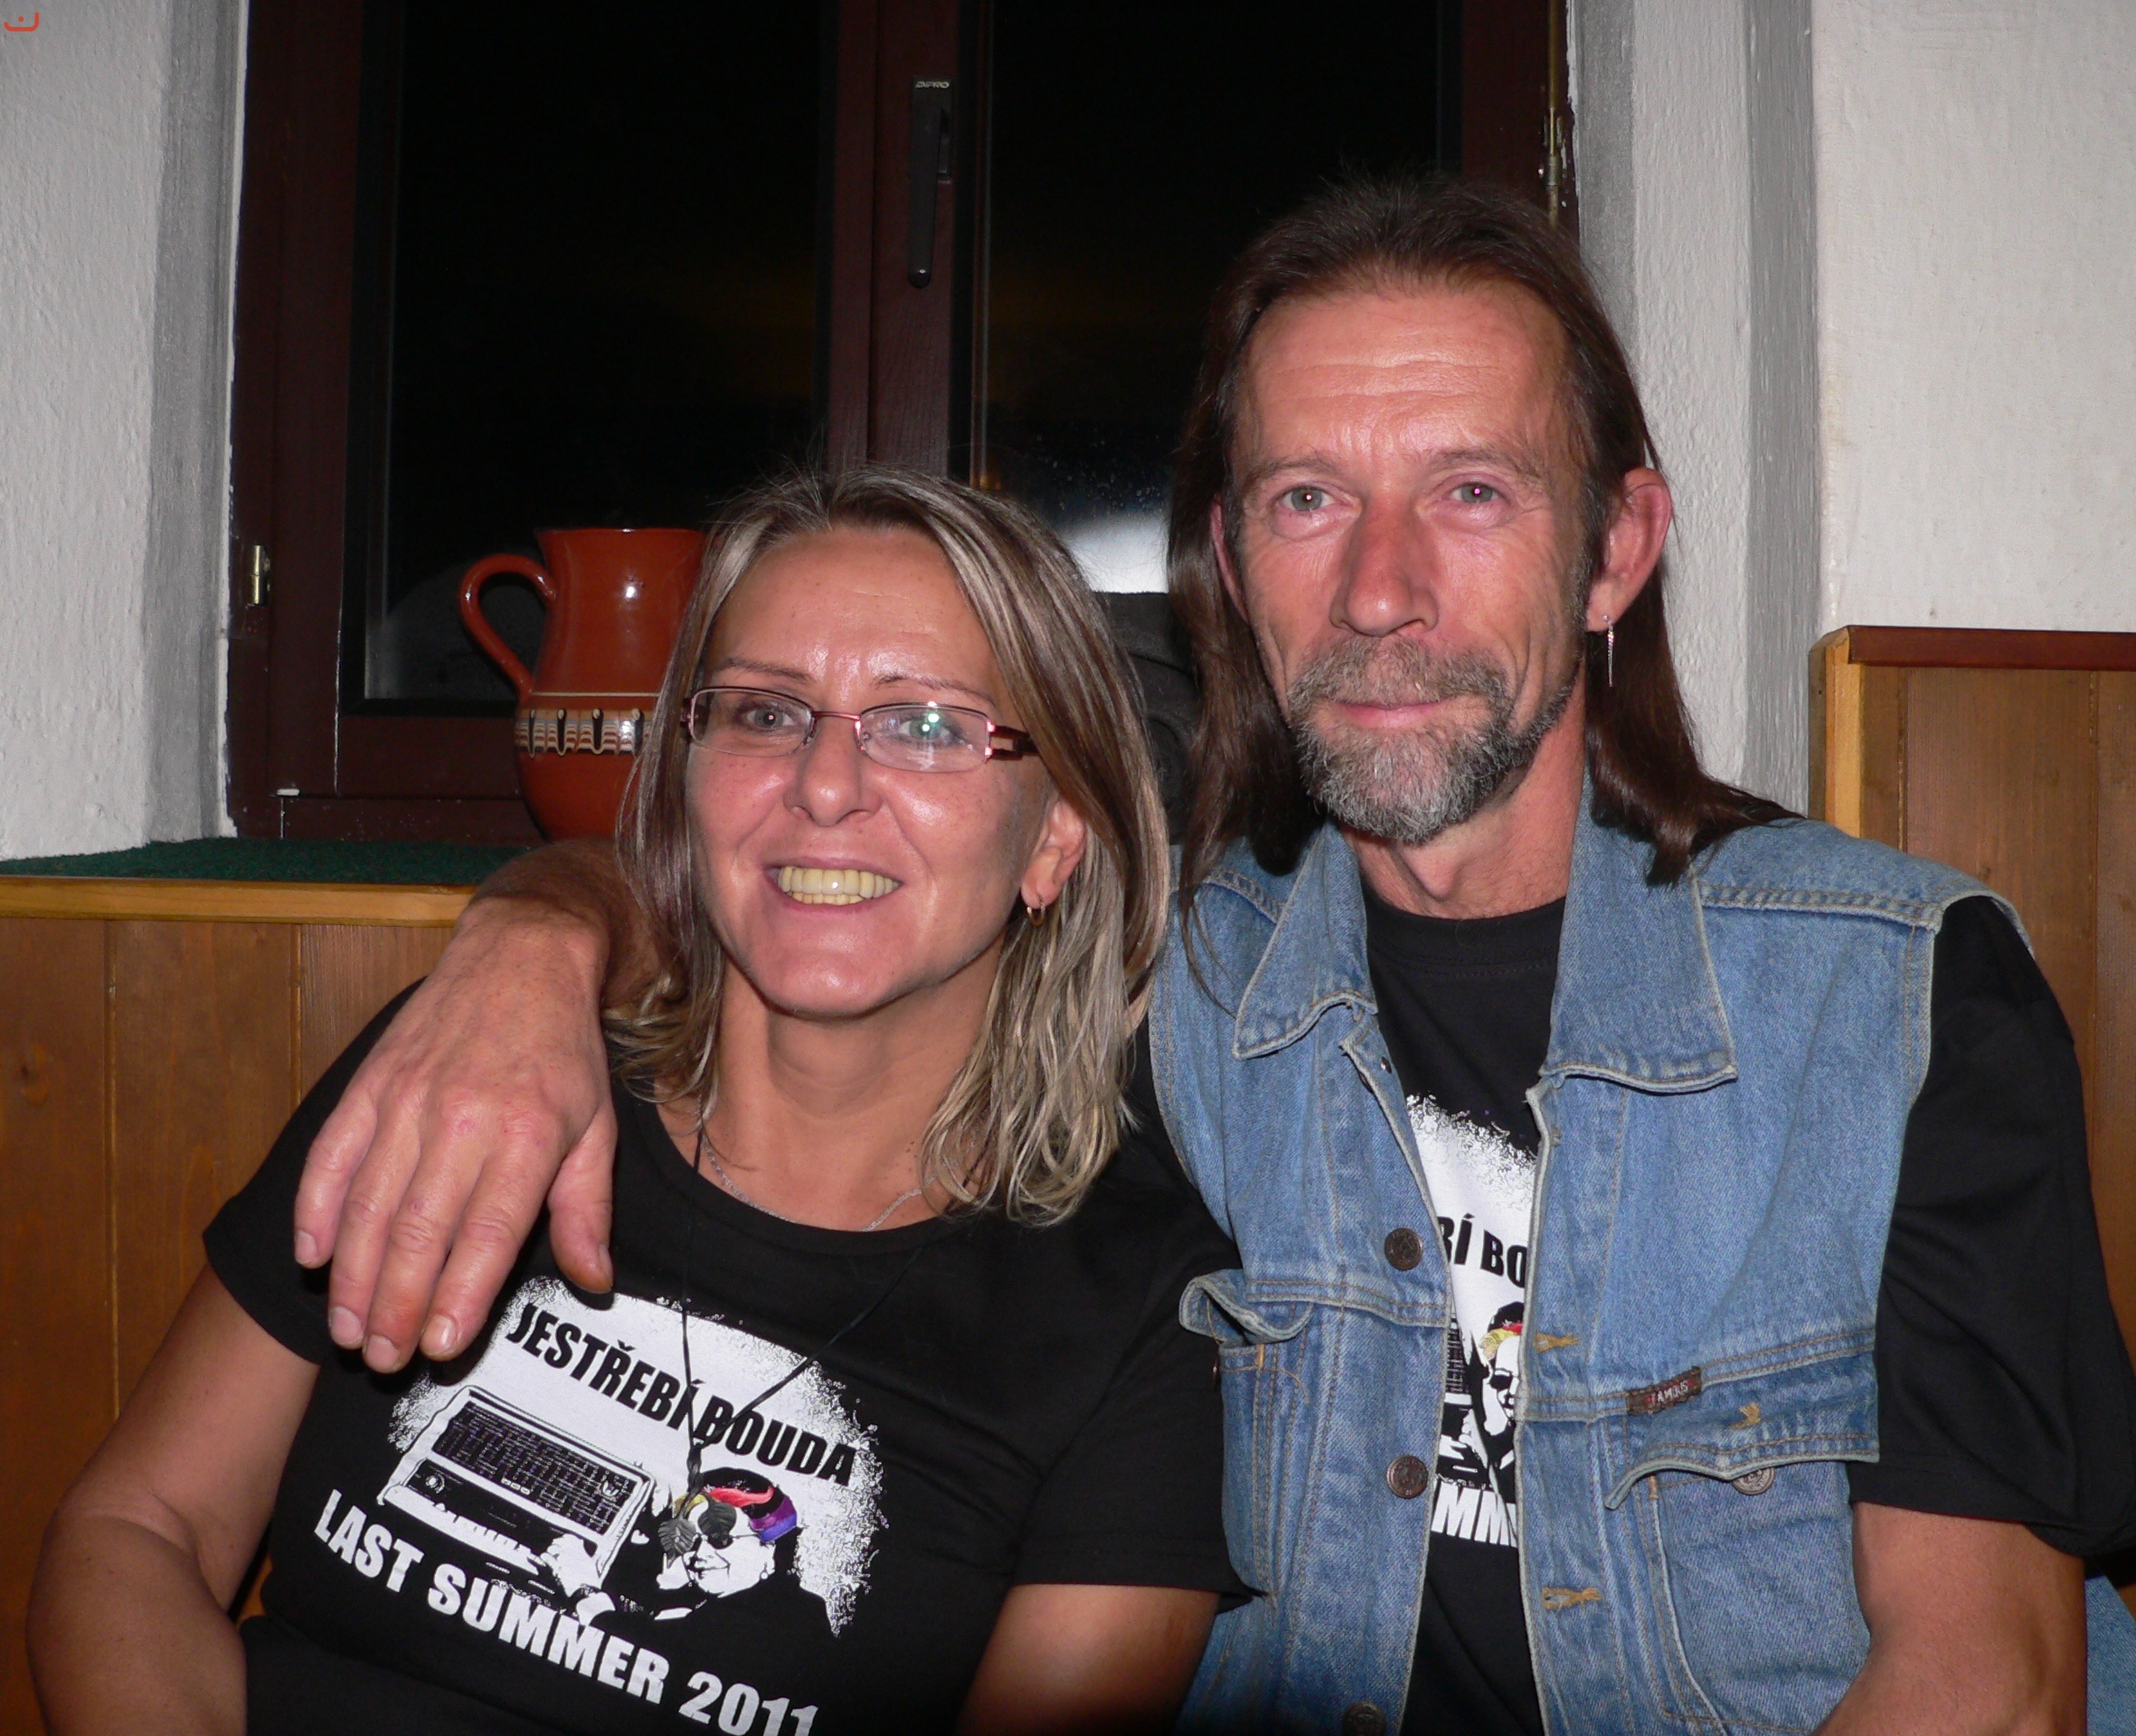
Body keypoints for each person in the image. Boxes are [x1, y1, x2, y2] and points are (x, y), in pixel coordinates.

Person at [271, 178, 2136, 1733]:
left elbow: (1984, 1687)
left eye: (1470, 491)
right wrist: (537, 936)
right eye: (1306, 501)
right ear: (1227, 564)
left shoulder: (1890, 999)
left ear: (1615, 550)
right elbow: (834, 859)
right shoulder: (1172, 984)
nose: (1379, 590)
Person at [29, 468, 1243, 1735]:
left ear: (1055, 837)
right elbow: (140, 1527)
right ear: (688, 773)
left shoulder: (1145, 1318)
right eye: (765, 712)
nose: (826, 784)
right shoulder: (484, 1073)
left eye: (927, 724)